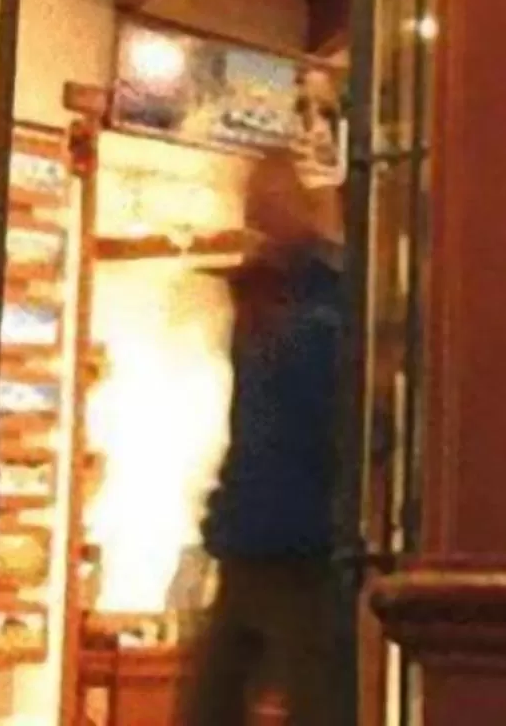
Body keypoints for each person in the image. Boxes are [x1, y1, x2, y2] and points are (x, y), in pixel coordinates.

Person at [182, 147, 346, 726]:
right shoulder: (282, 295)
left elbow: (314, 414)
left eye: (267, 198)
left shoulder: (318, 300)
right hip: (265, 531)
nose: (259, 213)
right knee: (223, 701)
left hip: (301, 540)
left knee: (298, 699)